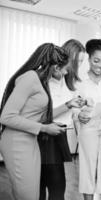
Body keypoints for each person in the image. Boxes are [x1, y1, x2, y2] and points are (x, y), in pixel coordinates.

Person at [0, 43, 69, 200]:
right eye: (65, 68)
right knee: (28, 195)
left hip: (30, 141)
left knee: (29, 193)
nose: (67, 72)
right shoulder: (30, 78)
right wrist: (44, 128)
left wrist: (66, 106)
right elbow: (7, 117)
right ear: (56, 67)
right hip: (16, 143)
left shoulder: (41, 80)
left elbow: (38, 116)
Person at [38, 39, 86, 200]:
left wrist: (80, 113)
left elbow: (72, 112)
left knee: (58, 188)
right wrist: (68, 105)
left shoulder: (69, 82)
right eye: (77, 61)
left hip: (60, 135)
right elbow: (41, 115)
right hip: (44, 137)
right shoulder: (44, 80)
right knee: (44, 187)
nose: (78, 66)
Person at [76, 39, 101, 200]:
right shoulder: (79, 81)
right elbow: (74, 106)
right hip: (89, 127)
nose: (100, 65)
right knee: (88, 165)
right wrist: (78, 114)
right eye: (96, 61)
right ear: (89, 59)